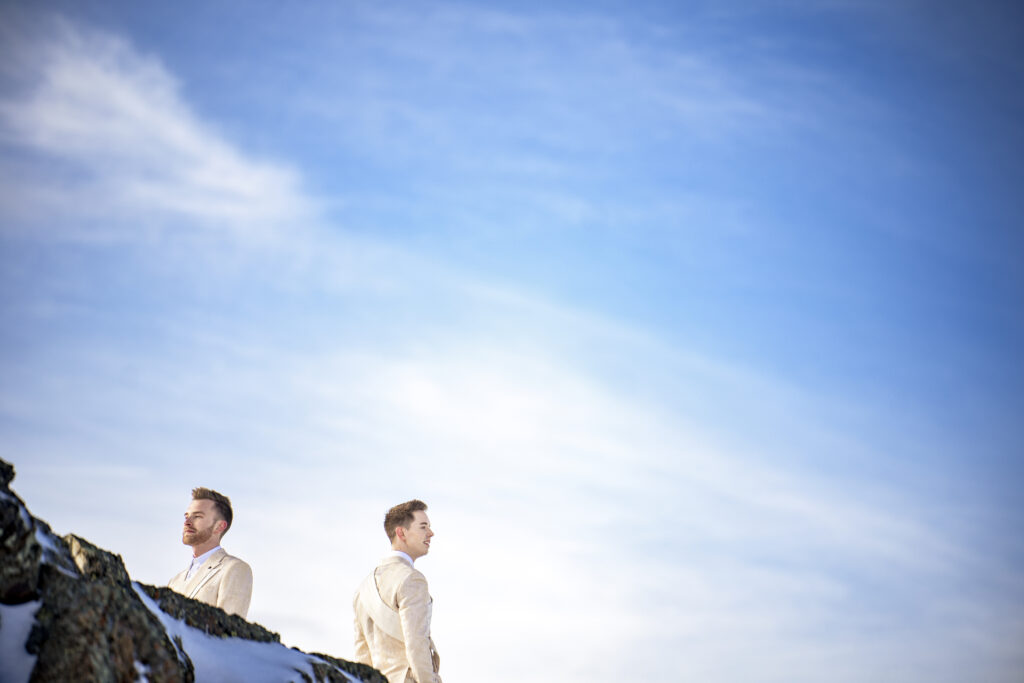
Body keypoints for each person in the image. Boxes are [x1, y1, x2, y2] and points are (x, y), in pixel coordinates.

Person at [353, 499, 441, 683]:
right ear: (401, 532)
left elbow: (362, 656)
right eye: (423, 527)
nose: (431, 533)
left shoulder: (363, 588)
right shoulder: (412, 579)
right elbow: (417, 644)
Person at [168, 487, 253, 619]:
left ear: (219, 526)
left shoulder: (235, 569)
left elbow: (229, 632)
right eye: (186, 516)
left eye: (197, 516)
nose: (187, 522)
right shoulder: (174, 582)